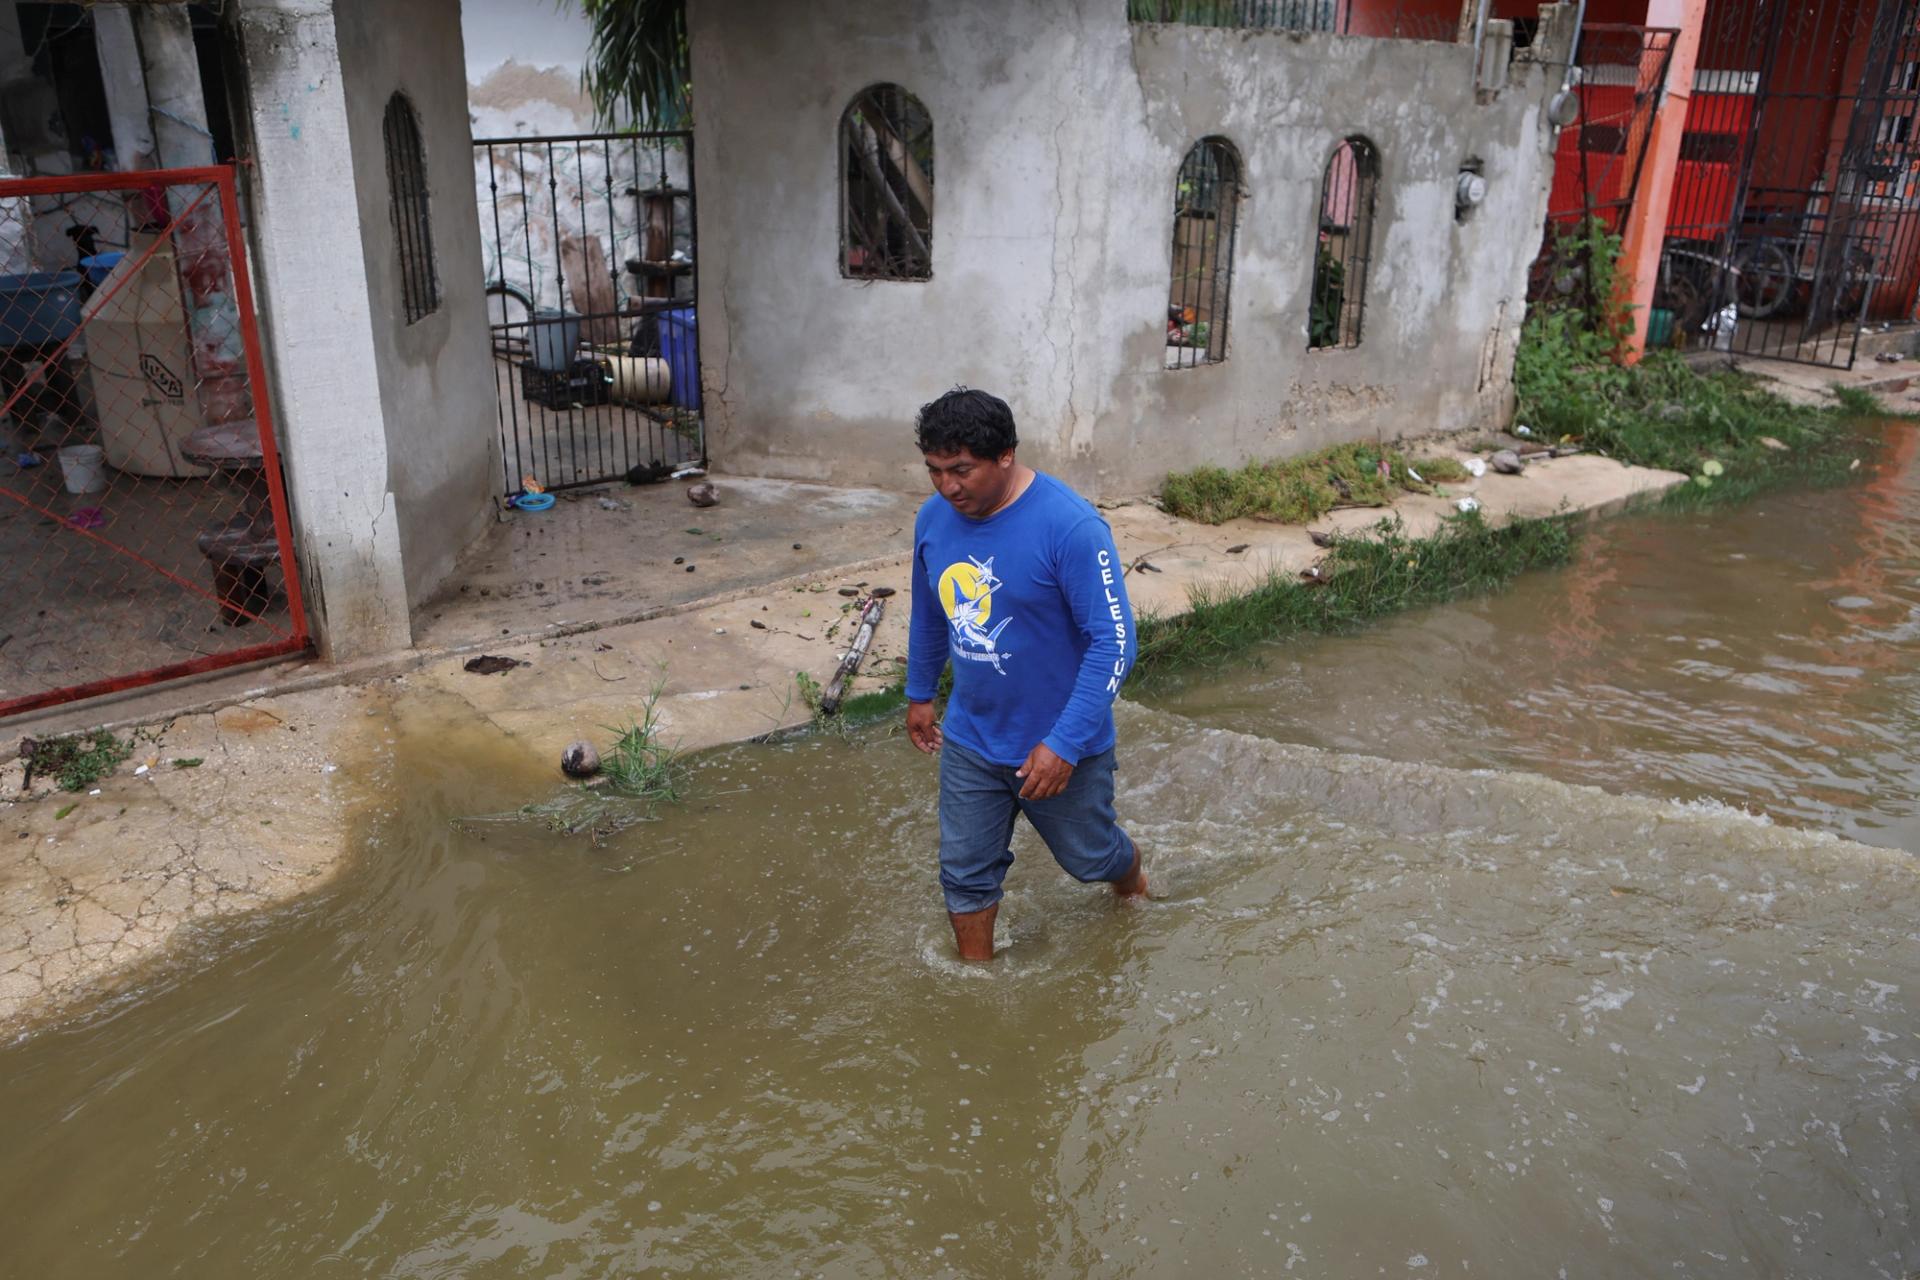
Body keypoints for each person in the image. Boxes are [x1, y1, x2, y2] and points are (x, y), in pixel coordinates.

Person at [904, 387, 1145, 961]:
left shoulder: (1071, 528)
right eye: (935, 471)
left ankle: (1131, 876)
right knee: (964, 872)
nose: (947, 487)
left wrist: (1062, 743)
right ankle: (976, 991)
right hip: (972, 736)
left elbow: (1115, 645)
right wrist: (919, 693)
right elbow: (929, 609)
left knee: (1090, 861)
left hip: (1061, 744)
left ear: (1005, 455)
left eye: (961, 470)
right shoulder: (934, 520)